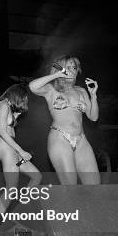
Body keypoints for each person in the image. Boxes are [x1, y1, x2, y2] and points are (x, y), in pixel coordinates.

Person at [28, 55, 100, 185]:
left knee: (94, 185)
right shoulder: (51, 89)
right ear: (61, 69)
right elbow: (32, 86)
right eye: (68, 67)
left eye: (74, 67)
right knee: (70, 187)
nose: (72, 70)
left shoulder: (81, 91)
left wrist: (93, 96)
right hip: (60, 138)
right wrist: (56, 75)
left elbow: (93, 117)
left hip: (81, 140)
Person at [0, 84, 42, 232]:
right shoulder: (3, 104)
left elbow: (8, 127)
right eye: (23, 99)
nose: (24, 102)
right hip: (5, 146)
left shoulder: (5, 107)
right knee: (11, 188)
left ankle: (20, 211)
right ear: (16, 96)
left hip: (10, 147)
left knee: (36, 176)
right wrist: (21, 151)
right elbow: (2, 131)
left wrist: (15, 117)